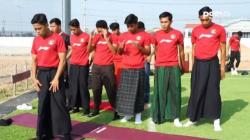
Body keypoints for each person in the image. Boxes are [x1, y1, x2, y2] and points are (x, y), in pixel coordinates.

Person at [184, 6, 226, 132]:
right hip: (198, 63)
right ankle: (193, 118)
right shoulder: (196, 30)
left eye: (206, 19)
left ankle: (216, 120)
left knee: (213, 90)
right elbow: (194, 47)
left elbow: (223, 49)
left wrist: (222, 67)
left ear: (211, 17)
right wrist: (192, 64)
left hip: (213, 63)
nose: (204, 22)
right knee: (196, 90)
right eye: (202, 20)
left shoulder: (219, 29)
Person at [30, 13, 72, 139]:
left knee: (59, 103)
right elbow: (34, 60)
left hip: (55, 73)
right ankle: (43, 133)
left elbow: (63, 60)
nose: (37, 31)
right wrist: (33, 77)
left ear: (46, 25)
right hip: (41, 74)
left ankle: (65, 134)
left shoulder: (57, 38)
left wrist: (56, 78)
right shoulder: (36, 40)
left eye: (39, 28)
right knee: (42, 104)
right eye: (35, 29)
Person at [150, 11, 185, 127]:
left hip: (174, 66)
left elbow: (181, 51)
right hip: (160, 67)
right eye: (161, 22)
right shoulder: (156, 35)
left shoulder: (178, 34)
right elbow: (156, 50)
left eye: (166, 22)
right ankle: (158, 116)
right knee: (160, 93)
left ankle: (175, 117)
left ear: (171, 21)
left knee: (175, 92)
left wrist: (183, 66)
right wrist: (155, 63)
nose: (163, 24)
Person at [116, 14, 151, 124]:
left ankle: (138, 116)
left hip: (139, 67)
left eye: (131, 26)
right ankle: (127, 115)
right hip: (126, 67)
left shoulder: (144, 35)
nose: (130, 28)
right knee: (126, 94)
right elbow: (119, 52)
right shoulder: (123, 36)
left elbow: (148, 52)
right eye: (128, 26)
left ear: (136, 24)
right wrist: (120, 48)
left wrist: (139, 47)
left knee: (139, 93)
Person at [88, 20, 119, 120]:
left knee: (111, 90)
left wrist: (106, 38)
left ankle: (116, 111)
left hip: (108, 67)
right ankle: (96, 109)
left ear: (106, 29)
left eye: (101, 31)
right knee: (96, 90)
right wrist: (90, 39)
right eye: (98, 31)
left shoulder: (113, 37)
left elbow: (114, 51)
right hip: (96, 67)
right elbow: (89, 50)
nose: (100, 33)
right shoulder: (97, 37)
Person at [67, 19, 90, 115]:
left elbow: (91, 50)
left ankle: (86, 108)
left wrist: (90, 59)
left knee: (82, 87)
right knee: (73, 87)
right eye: (71, 30)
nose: (72, 31)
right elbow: (72, 49)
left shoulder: (86, 36)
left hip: (83, 65)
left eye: (74, 29)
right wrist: (65, 59)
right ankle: (74, 106)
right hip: (73, 65)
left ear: (78, 27)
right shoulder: (71, 37)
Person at [49, 18, 71, 107]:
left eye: (53, 26)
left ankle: (66, 104)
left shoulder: (65, 37)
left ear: (59, 26)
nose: (51, 28)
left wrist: (65, 58)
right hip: (53, 67)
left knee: (64, 85)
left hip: (63, 66)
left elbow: (72, 49)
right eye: (50, 26)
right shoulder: (51, 37)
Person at [137, 21, 154, 107]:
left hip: (145, 61)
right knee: (138, 80)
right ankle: (139, 99)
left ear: (143, 28)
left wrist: (150, 56)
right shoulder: (136, 36)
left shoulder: (148, 36)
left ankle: (146, 100)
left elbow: (153, 47)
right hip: (137, 61)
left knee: (145, 80)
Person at [109, 22, 122, 86]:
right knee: (114, 79)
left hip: (122, 61)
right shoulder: (111, 37)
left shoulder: (123, 36)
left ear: (118, 28)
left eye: (115, 30)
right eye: (112, 30)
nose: (113, 32)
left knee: (121, 79)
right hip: (113, 61)